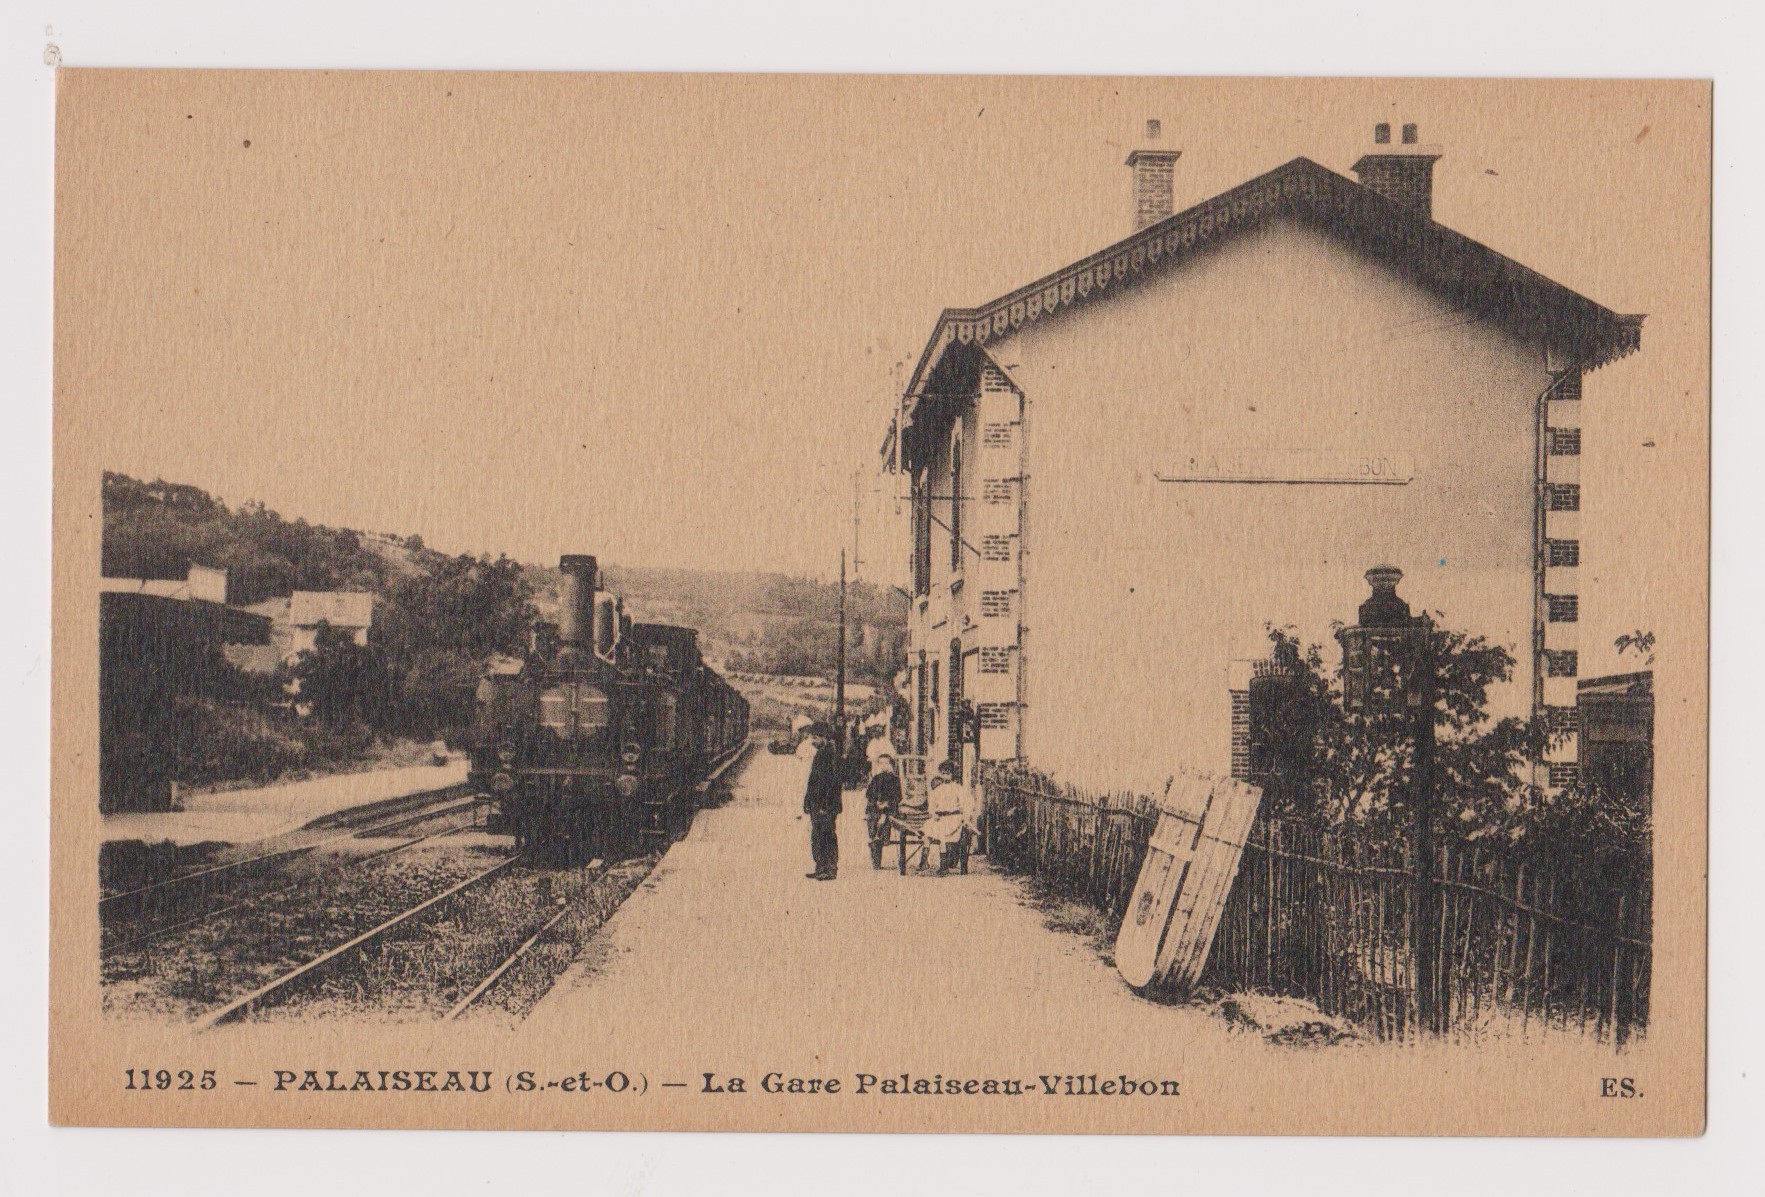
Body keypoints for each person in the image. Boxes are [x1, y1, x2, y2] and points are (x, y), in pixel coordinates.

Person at [801, 722, 843, 880]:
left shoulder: (830, 755)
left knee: (827, 835)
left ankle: (830, 868)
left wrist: (825, 805)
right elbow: (813, 781)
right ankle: (820, 867)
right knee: (817, 835)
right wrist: (808, 801)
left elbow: (833, 783)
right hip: (817, 803)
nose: (813, 741)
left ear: (824, 738)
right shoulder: (822, 753)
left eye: (816, 737)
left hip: (825, 804)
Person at [921, 759, 971, 875]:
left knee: (942, 834)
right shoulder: (938, 789)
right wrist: (934, 814)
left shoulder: (958, 788)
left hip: (953, 818)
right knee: (928, 829)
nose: (945, 776)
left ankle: (944, 865)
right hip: (940, 817)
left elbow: (965, 804)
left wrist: (965, 817)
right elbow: (932, 806)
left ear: (952, 774)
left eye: (948, 773)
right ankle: (924, 860)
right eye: (943, 773)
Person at [864, 751, 903, 870]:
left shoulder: (895, 779)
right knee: (873, 817)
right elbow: (869, 793)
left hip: (889, 807)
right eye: (881, 763)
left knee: (885, 818)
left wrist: (887, 803)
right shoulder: (876, 778)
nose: (884, 766)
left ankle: (880, 837)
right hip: (876, 807)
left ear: (891, 765)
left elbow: (898, 796)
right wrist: (876, 802)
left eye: (886, 763)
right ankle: (875, 840)